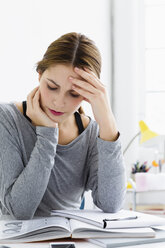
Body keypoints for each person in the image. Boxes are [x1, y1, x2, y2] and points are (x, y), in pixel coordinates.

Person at [0, 32, 126, 220]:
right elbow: (20, 209)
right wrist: (48, 134)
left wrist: (107, 124)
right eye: (52, 87)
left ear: (87, 94)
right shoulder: (7, 119)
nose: (59, 102)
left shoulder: (90, 132)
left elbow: (111, 204)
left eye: (74, 94)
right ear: (40, 75)